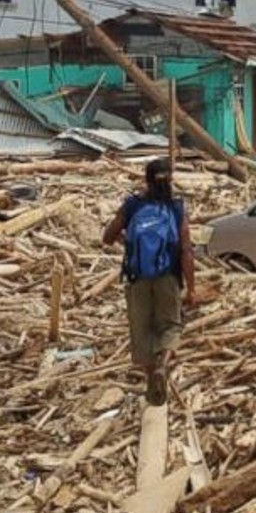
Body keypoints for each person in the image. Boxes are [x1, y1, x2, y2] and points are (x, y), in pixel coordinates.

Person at [103, 159, 195, 406]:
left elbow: (107, 237)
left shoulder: (133, 205)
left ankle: (149, 380)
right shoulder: (176, 208)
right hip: (168, 276)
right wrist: (191, 287)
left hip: (137, 278)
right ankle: (163, 366)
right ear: (170, 180)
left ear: (146, 179)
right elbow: (186, 250)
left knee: (141, 330)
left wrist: (130, 243)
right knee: (171, 326)